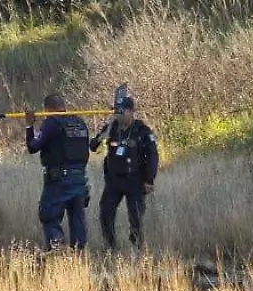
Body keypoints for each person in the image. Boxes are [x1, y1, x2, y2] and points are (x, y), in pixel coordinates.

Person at [90, 94, 158, 249]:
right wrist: (103, 134)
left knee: (135, 216)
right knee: (105, 213)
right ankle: (110, 246)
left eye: (122, 111)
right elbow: (93, 147)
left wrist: (149, 179)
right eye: (116, 111)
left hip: (135, 179)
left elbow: (153, 156)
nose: (118, 114)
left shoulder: (142, 130)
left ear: (131, 111)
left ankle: (137, 245)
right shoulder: (111, 128)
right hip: (114, 180)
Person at [25, 94, 90, 251]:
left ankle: (57, 248)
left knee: (49, 215)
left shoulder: (52, 123)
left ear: (47, 109)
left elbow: (33, 146)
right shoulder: (79, 123)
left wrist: (29, 126)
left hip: (59, 180)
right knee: (77, 220)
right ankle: (79, 255)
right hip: (80, 179)